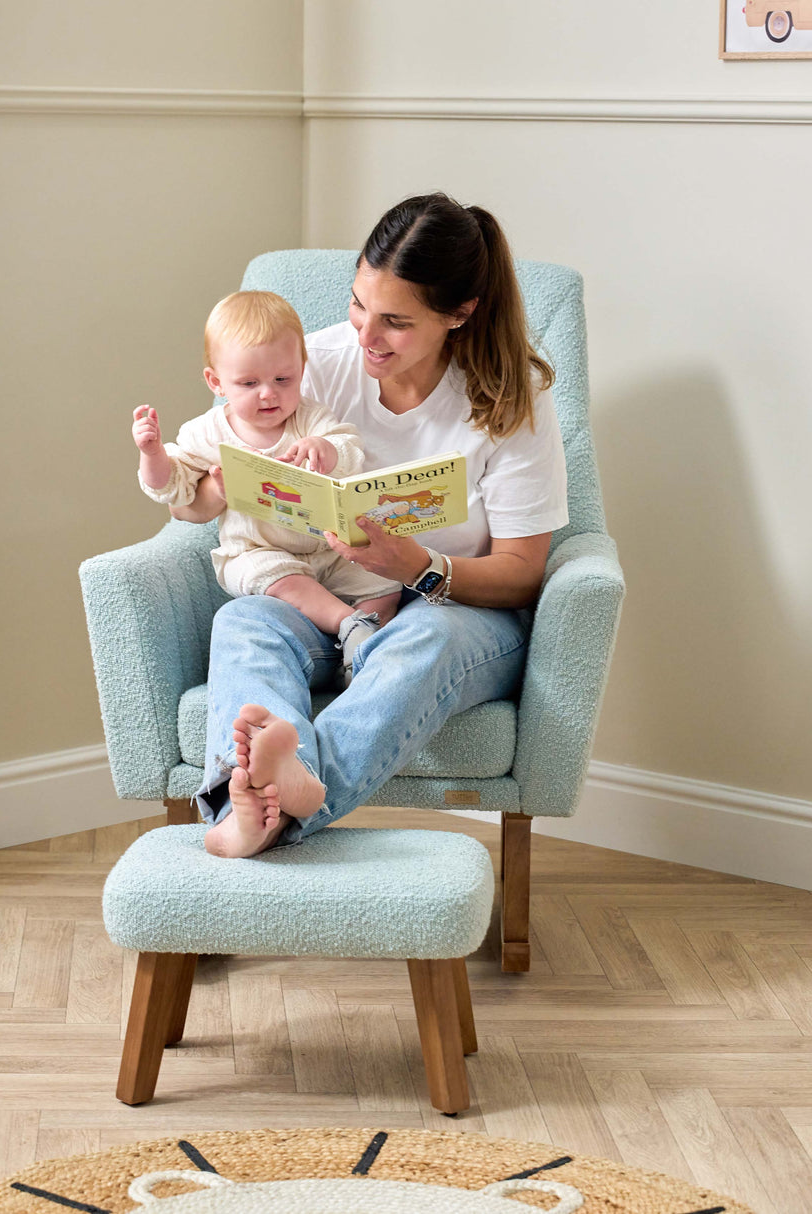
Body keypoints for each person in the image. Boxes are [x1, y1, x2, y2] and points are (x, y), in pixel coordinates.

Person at [172, 194, 569, 859]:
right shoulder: (313, 363)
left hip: (455, 611)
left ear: (458, 315)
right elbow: (218, 459)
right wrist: (215, 483)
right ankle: (268, 796)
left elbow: (523, 574)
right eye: (358, 305)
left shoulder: (508, 400)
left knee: (425, 639)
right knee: (244, 622)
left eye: (394, 322)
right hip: (332, 597)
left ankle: (286, 798)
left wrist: (416, 567)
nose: (364, 336)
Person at [134, 291, 402, 695]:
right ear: (216, 382)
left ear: (301, 369)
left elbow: (350, 448)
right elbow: (172, 487)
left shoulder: (310, 417)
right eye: (249, 383)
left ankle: (359, 656)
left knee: (384, 586)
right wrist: (152, 454)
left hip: (329, 549)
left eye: (283, 379)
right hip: (259, 552)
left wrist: (326, 450)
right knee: (277, 576)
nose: (268, 394)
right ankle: (349, 624)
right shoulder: (205, 433)